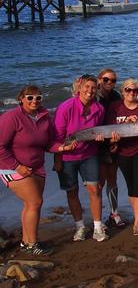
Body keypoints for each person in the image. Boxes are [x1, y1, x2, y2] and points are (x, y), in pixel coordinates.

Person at [0, 86, 76, 255]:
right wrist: (17, 167)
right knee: (35, 202)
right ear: (21, 98)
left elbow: (48, 144)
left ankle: (26, 242)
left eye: (38, 98)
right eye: (30, 97)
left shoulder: (44, 117)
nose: (34, 101)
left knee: (30, 204)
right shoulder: (11, 117)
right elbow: (0, 147)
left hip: (37, 167)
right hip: (12, 168)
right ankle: (33, 245)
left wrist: (63, 148)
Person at [53, 74, 110, 242]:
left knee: (95, 189)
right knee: (72, 192)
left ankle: (98, 228)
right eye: (87, 87)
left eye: (93, 88)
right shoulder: (66, 107)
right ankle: (80, 226)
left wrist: (100, 138)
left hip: (89, 154)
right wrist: (58, 159)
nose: (90, 91)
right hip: (67, 156)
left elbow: (97, 131)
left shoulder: (99, 109)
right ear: (79, 88)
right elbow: (57, 137)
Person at [105, 79, 138, 236]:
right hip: (122, 152)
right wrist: (115, 136)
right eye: (128, 90)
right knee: (131, 186)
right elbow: (109, 130)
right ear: (123, 91)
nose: (132, 93)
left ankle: (136, 223)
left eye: (135, 90)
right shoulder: (114, 107)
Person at [96, 68, 126, 228]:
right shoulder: (94, 96)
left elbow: (119, 118)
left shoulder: (116, 97)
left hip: (112, 139)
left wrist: (115, 142)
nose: (109, 83)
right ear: (99, 79)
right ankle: (98, 218)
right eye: (106, 79)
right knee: (99, 181)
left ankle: (114, 213)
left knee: (112, 178)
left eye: (113, 80)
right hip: (96, 142)